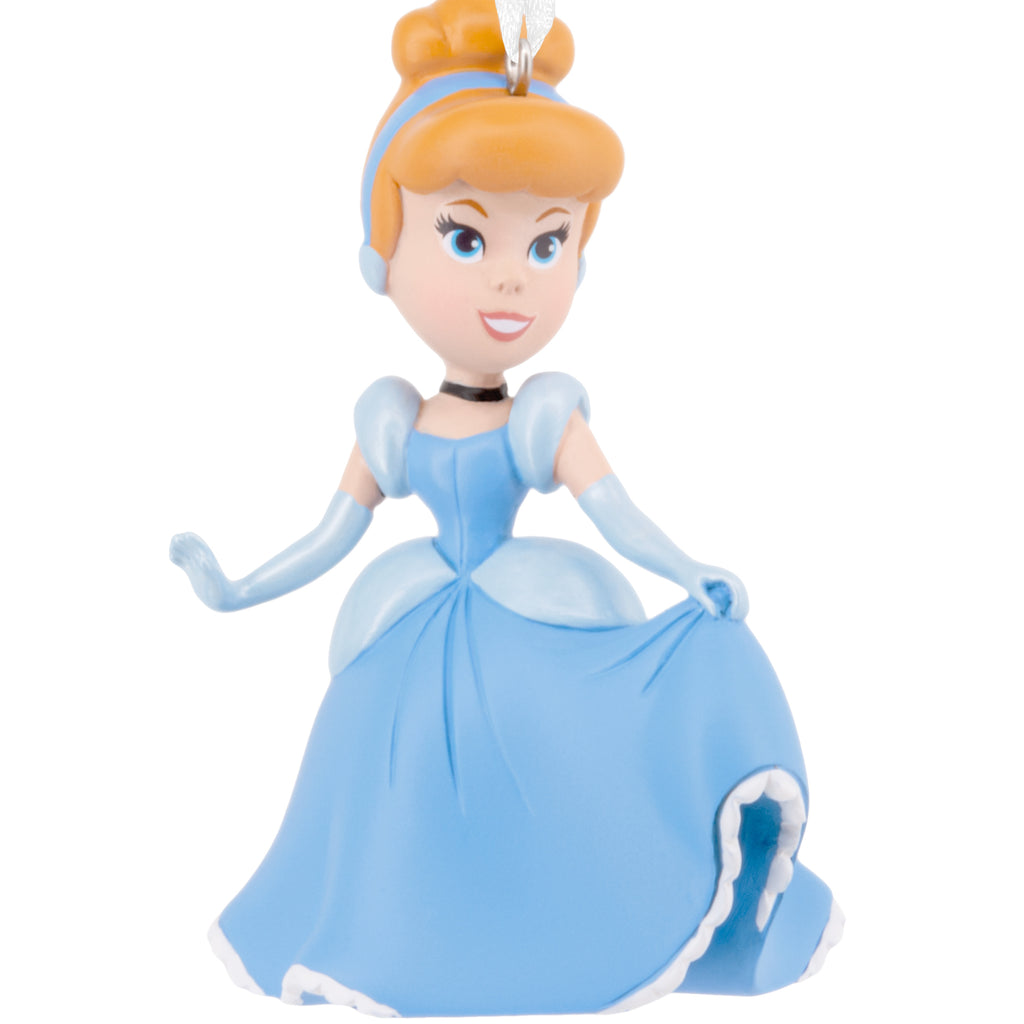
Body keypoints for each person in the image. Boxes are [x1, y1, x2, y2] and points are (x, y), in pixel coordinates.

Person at [170, 0, 841, 1014]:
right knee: (391, 804)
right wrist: (233, 588)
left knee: (564, 777)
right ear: (383, 248)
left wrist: (685, 569)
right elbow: (331, 534)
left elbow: (616, 511)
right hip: (405, 624)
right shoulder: (392, 417)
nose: (509, 281)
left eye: (546, 244)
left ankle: (571, 929)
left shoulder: (544, 416)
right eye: (464, 235)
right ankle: (415, 940)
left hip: (536, 613)